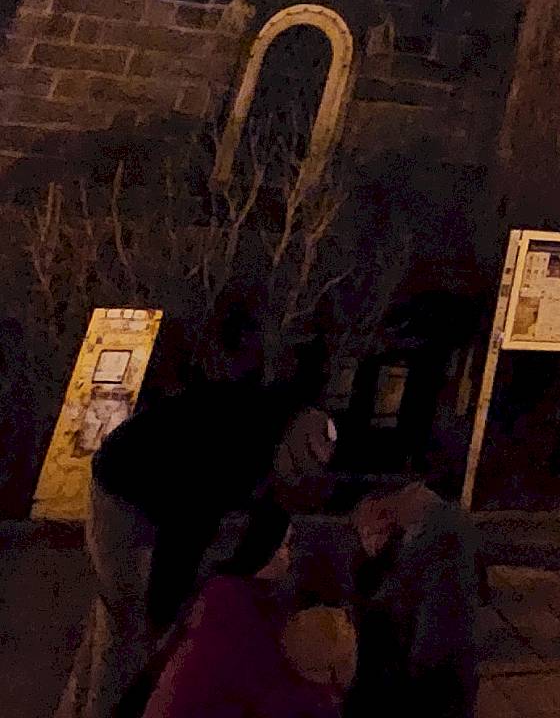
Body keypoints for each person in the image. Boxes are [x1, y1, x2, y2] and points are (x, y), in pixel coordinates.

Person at [58, 300, 331, 718]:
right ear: (283, 443)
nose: (291, 478)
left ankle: (77, 706)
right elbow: (185, 534)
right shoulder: (232, 445)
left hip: (160, 494)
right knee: (128, 624)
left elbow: (268, 521)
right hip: (121, 487)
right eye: (292, 468)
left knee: (118, 611)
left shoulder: (278, 439)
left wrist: (227, 579)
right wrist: (166, 615)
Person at [142, 499, 355, 718]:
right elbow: (270, 688)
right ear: (266, 550)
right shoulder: (240, 609)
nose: (288, 554)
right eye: (284, 545)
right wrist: (326, 698)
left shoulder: (224, 594)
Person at [346, 479, 480, 718]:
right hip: (440, 672)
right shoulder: (429, 534)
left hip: (432, 675)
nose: (366, 542)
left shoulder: (436, 534)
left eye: (366, 532)